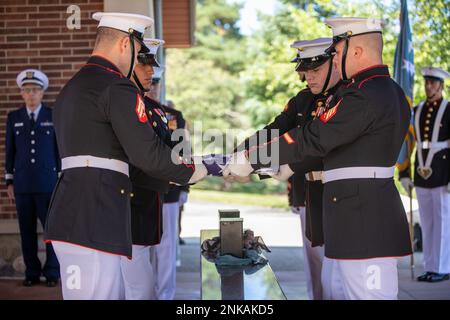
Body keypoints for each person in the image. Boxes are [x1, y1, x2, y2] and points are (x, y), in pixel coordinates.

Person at [224, 17, 412, 300]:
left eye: (336, 53)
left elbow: (313, 138)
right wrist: (281, 164)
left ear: (357, 51)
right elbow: (333, 149)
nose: (334, 61)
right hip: (356, 217)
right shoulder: (377, 91)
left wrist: (252, 157)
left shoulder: (365, 95)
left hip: (364, 219)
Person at [44, 12, 209, 300]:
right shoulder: (115, 86)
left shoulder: (72, 87)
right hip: (98, 217)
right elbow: (148, 155)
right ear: (124, 44)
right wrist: (198, 169)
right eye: (138, 50)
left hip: (70, 214)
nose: (139, 60)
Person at [119, 38, 168, 300]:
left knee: (144, 289)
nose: (151, 71)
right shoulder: (124, 104)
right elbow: (139, 160)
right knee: (140, 291)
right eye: (144, 64)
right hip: (129, 211)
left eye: (153, 65)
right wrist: (176, 176)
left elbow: (168, 152)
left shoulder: (153, 109)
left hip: (147, 209)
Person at [5, 69, 60, 287]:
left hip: (48, 184)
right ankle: (32, 272)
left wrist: (60, 179)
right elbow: (10, 152)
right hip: (23, 185)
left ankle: (52, 272)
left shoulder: (52, 116)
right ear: (22, 94)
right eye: (27, 90)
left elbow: (58, 151)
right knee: (26, 232)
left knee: (51, 231)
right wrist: (9, 181)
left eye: (35, 90)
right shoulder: (14, 118)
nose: (31, 94)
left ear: (42, 93)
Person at [399, 67, 450, 283]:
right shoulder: (417, 110)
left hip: (443, 172)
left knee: (443, 222)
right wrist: (404, 172)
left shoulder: (449, 109)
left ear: (441, 85)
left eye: (433, 82)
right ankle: (430, 266)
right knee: (428, 223)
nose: (429, 86)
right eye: (427, 82)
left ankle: (443, 267)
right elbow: (408, 143)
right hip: (422, 171)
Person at [149, 74, 189, 300]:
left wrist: (184, 188)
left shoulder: (174, 116)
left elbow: (184, 152)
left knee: (166, 248)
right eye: (150, 82)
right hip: (141, 191)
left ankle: (165, 295)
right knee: (143, 248)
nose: (152, 87)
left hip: (169, 191)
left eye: (156, 83)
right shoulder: (133, 110)